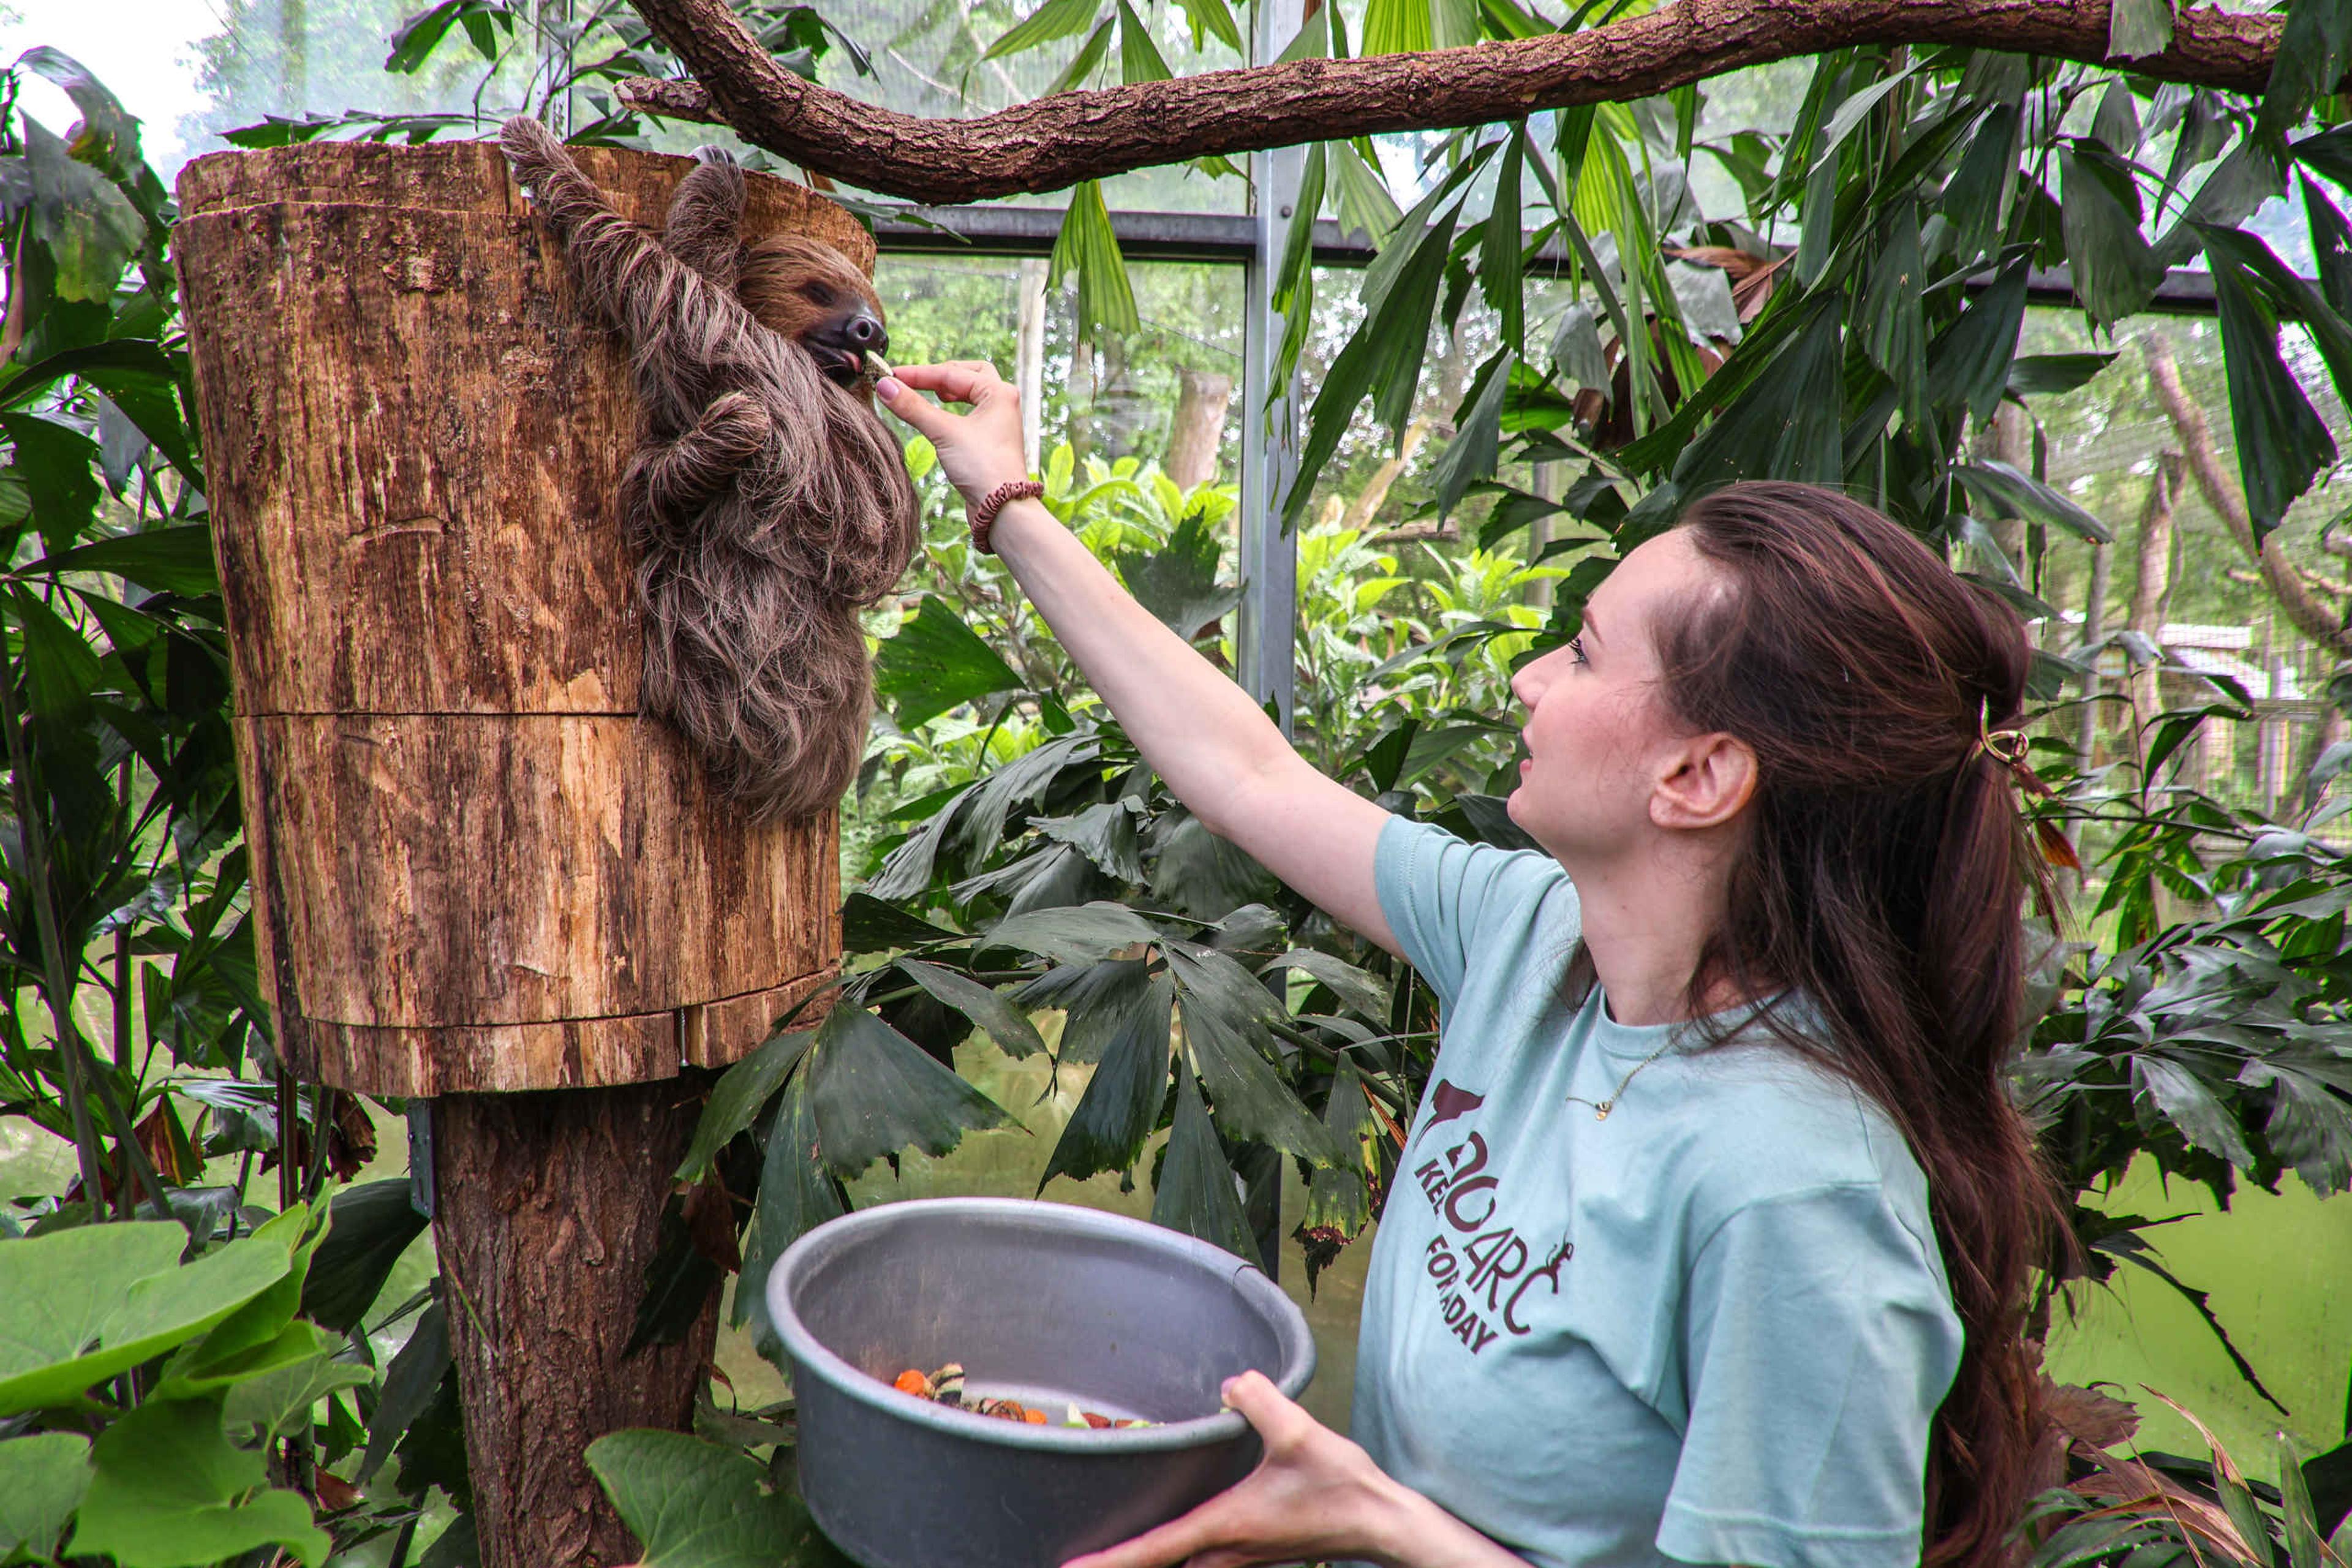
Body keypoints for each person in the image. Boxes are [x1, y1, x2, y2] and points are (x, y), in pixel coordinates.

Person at [876, 361, 2060, 1568]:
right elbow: (1249, 776)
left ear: (1698, 778)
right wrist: (1007, 500)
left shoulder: (1797, 1194)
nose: (1529, 677)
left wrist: (1384, 1523)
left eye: (1587, 654)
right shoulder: (1538, 937)